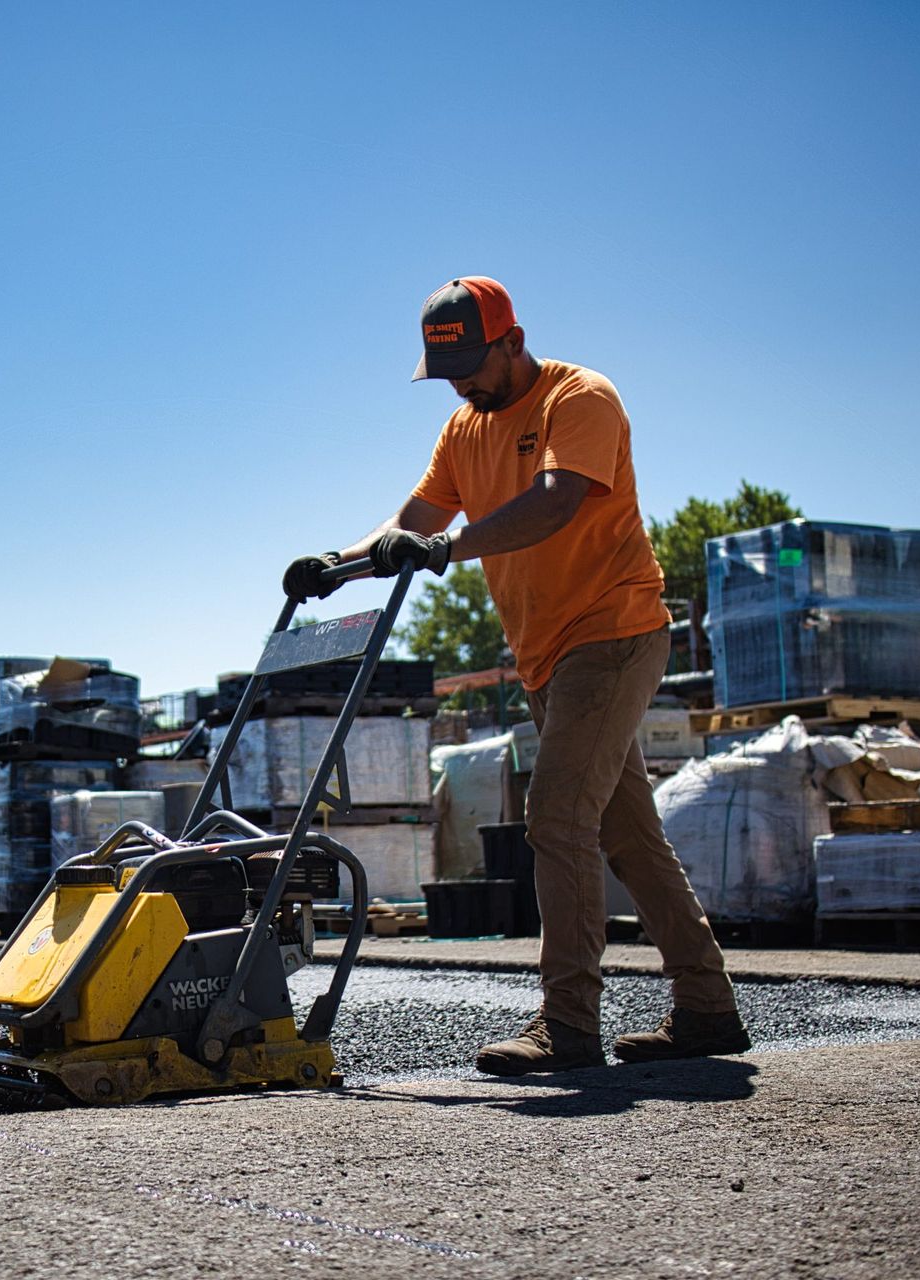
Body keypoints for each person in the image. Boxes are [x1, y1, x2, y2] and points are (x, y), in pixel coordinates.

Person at [284, 276, 748, 1071]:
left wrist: (446, 552)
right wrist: (340, 565)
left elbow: (554, 502)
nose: (461, 382)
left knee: (557, 818)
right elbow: (416, 521)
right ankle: (707, 1008)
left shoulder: (580, 398)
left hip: (613, 633)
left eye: (471, 362)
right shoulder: (464, 429)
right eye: (447, 370)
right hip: (546, 654)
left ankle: (566, 1025)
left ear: (511, 339)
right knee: (630, 839)